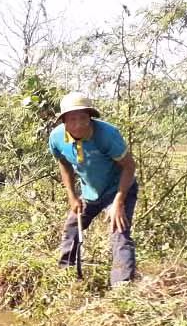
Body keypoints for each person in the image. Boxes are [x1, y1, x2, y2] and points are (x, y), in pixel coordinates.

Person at [48, 91, 137, 285]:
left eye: (83, 118)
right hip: (90, 192)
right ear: (64, 121)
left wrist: (118, 202)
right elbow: (64, 163)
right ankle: (66, 276)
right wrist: (72, 196)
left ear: (90, 117)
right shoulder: (56, 138)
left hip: (118, 189)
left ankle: (122, 288)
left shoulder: (107, 135)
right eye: (72, 119)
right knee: (72, 228)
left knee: (119, 231)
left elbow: (129, 167)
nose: (78, 124)